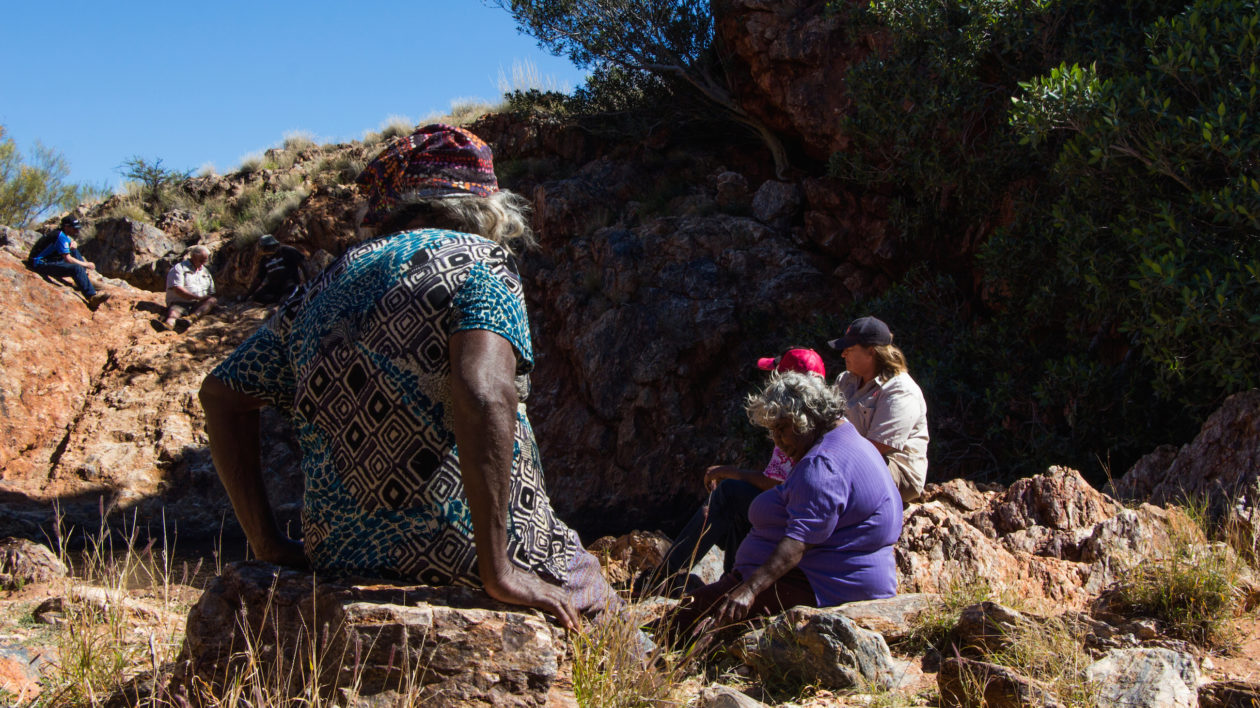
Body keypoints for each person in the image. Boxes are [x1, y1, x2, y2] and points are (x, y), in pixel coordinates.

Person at [199, 124, 619, 630]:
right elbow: (484, 393)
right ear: (484, 205)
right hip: (465, 552)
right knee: (613, 616)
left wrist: (266, 542)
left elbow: (220, 394)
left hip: (340, 556)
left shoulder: (324, 283)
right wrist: (498, 569)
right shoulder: (480, 260)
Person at [665, 371, 903, 638]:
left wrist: (749, 590)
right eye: (772, 431)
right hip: (831, 579)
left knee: (675, 626)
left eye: (781, 429)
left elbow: (798, 542)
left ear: (806, 418)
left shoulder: (822, 464)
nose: (777, 441)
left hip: (820, 584)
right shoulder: (848, 438)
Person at [644, 348, 827, 595]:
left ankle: (664, 575)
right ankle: (732, 575)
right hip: (809, 518)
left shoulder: (795, 426)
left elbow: (774, 484)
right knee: (741, 502)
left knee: (730, 494)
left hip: (799, 522)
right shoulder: (823, 419)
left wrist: (730, 472)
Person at [829, 316, 930, 503]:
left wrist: (827, 460)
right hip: (851, 459)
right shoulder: (846, 380)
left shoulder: (900, 390)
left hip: (897, 471)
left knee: (825, 481)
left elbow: (876, 447)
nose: (843, 354)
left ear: (871, 352)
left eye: (850, 349)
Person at [30, 216, 110, 309]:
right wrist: (86, 264)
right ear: (66, 227)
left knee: (73, 250)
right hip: (40, 264)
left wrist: (73, 242)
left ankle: (83, 280)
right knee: (76, 268)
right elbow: (68, 259)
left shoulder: (61, 233)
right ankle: (91, 297)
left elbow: (68, 244)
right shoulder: (60, 236)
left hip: (49, 259)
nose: (77, 231)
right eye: (74, 228)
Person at [161, 245, 217, 331]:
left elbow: (211, 292)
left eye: (205, 260)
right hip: (180, 302)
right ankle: (168, 326)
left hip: (197, 305)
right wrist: (196, 297)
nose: (203, 263)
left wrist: (204, 299)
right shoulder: (179, 268)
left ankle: (191, 318)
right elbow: (178, 289)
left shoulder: (205, 271)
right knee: (174, 313)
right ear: (194, 256)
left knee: (213, 300)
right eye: (201, 260)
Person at [246, 234, 306, 304]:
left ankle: (288, 297)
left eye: (267, 248)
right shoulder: (264, 259)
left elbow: (302, 263)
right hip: (274, 287)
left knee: (290, 288)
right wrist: (247, 295)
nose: (267, 250)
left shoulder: (287, 251)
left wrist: (308, 281)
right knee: (258, 296)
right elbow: (259, 278)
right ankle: (278, 299)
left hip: (289, 282)